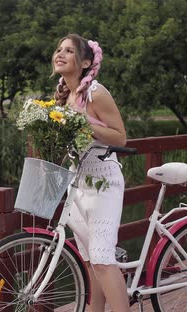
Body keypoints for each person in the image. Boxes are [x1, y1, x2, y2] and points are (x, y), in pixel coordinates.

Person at [52, 34, 129, 312]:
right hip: (77, 185)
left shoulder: (95, 92)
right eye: (59, 49)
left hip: (104, 182)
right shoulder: (63, 95)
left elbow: (120, 138)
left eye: (69, 51)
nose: (60, 54)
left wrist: (82, 121)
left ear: (85, 62)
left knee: (103, 259)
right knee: (88, 259)